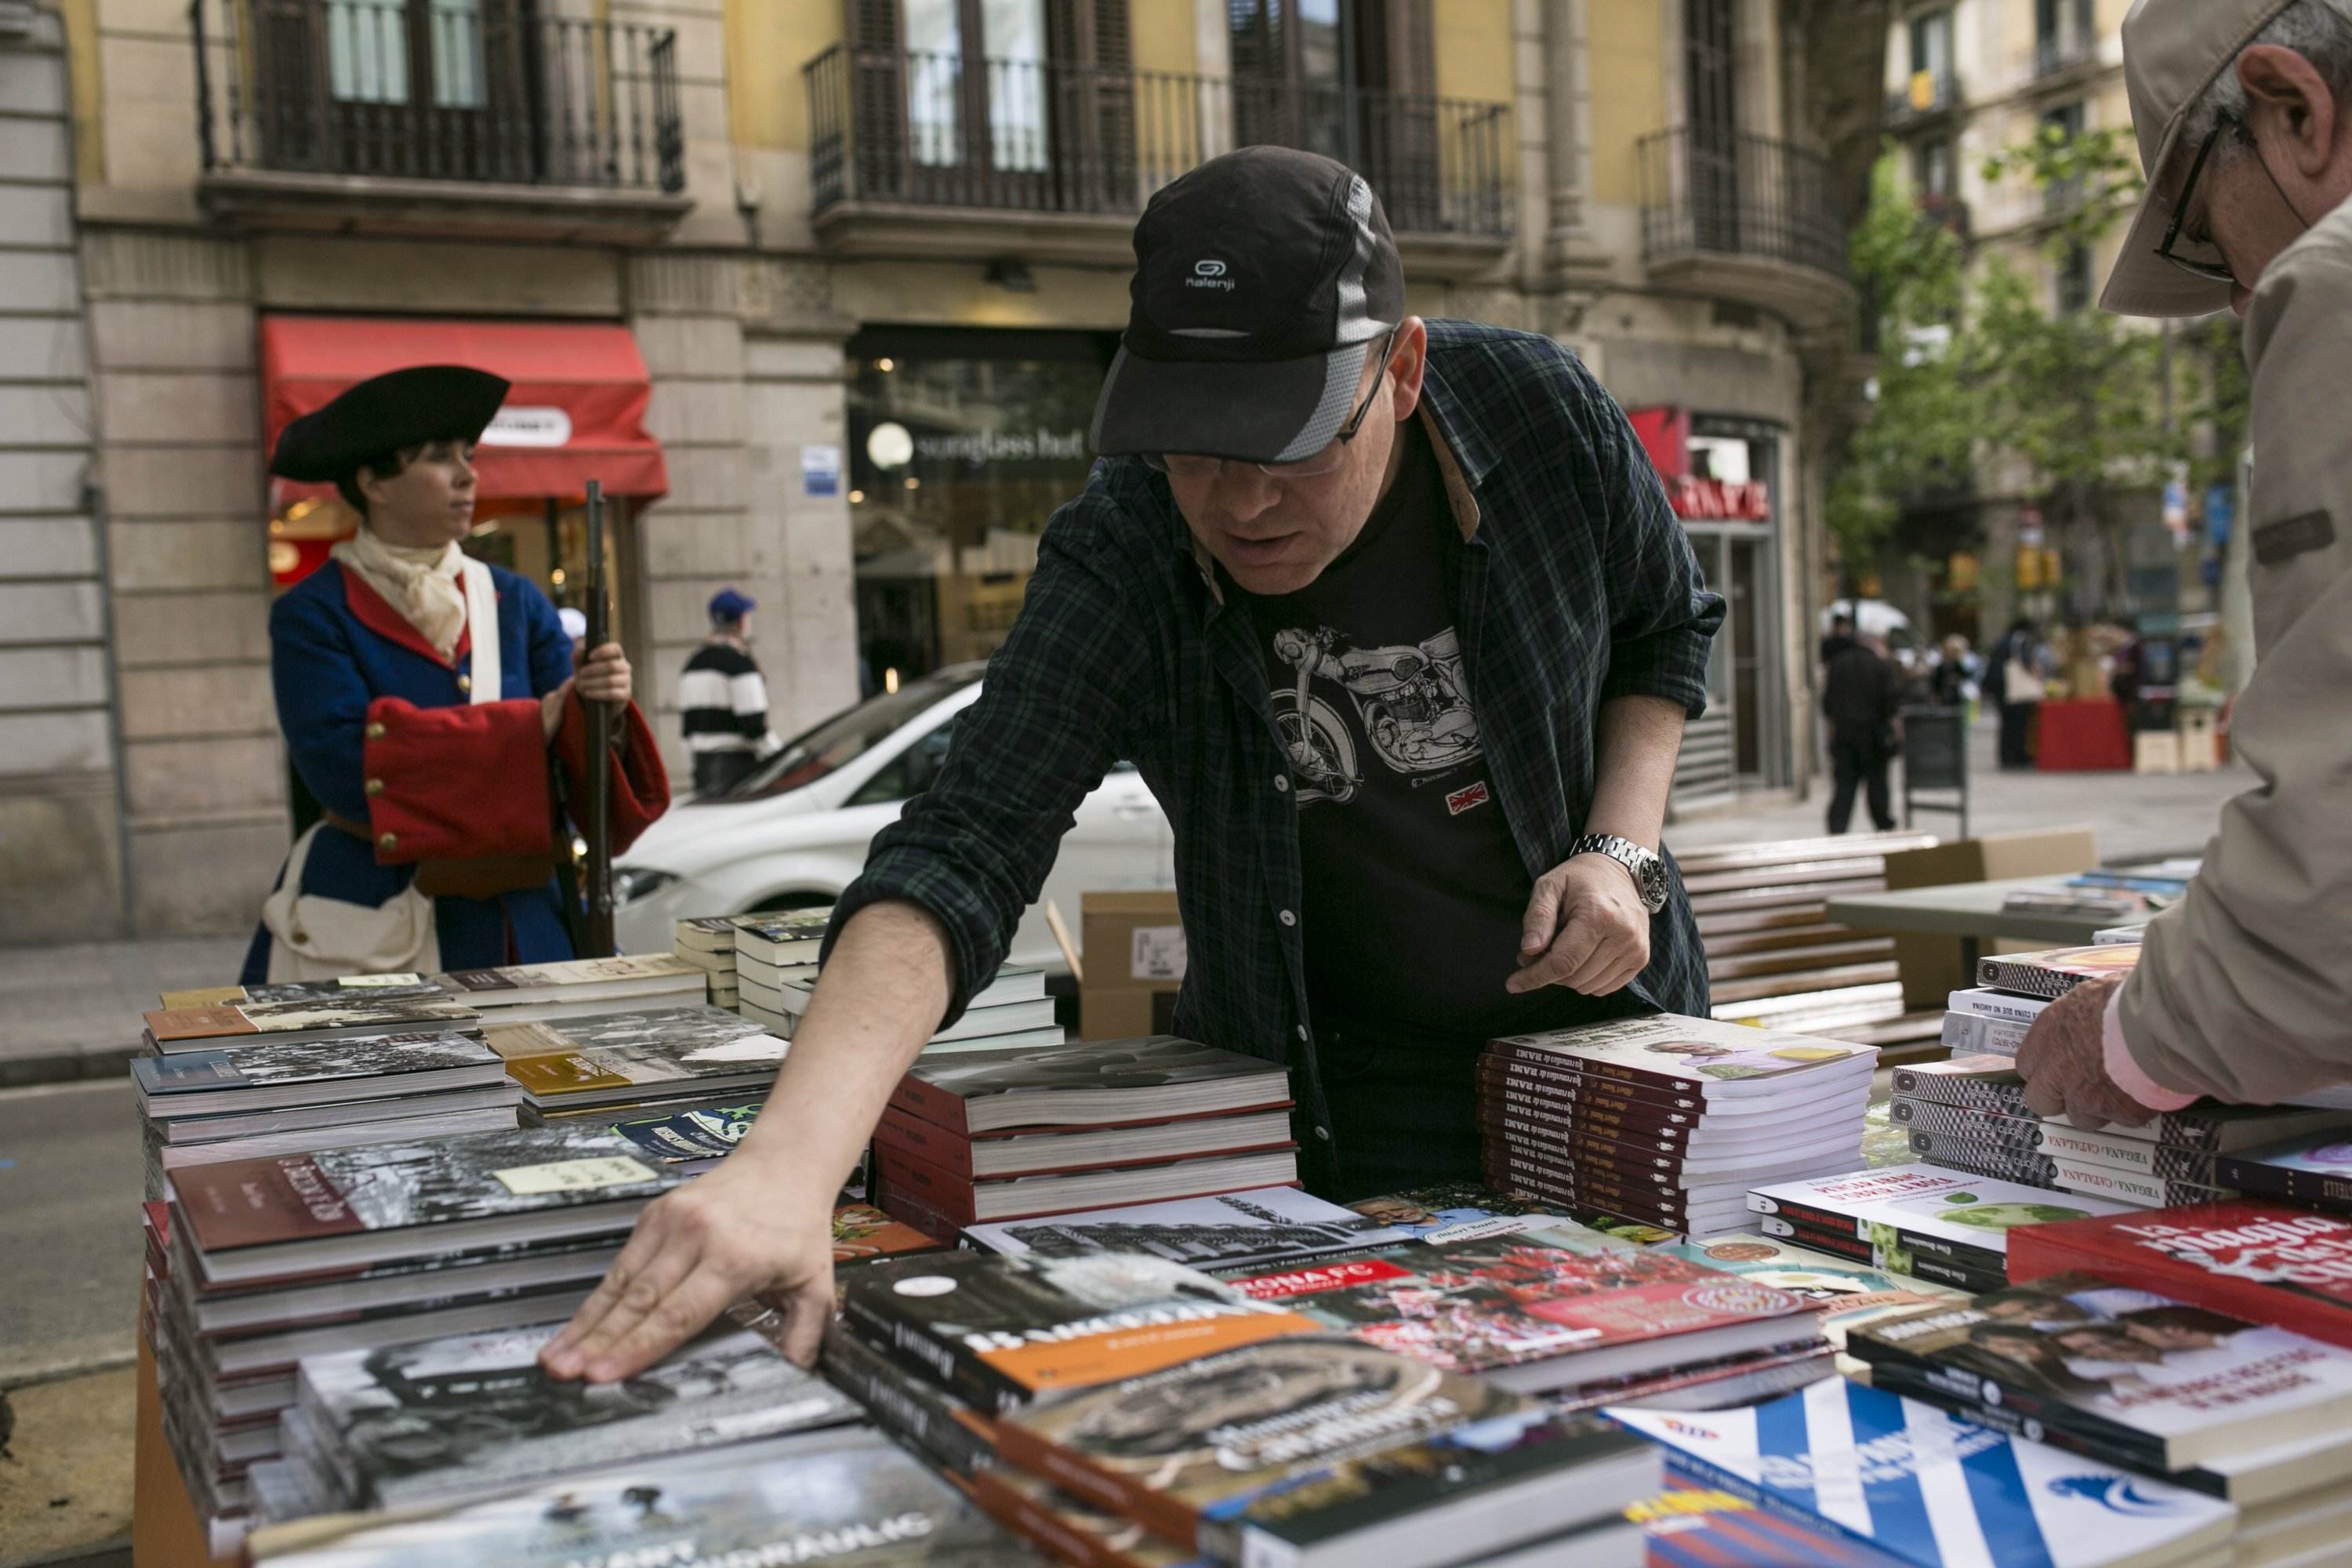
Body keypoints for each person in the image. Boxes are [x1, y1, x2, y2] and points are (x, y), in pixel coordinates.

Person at [542, 146, 1724, 1380]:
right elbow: (966, 843)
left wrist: (1617, 850)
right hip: (1337, 1098)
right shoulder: (1125, 545)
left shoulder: (1539, 412)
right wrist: (786, 1172)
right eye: (1197, 449)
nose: (1242, 503)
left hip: (1615, 1055)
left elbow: (1664, 623)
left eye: (1291, 447)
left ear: (1404, 369)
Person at [2017, 0, 2352, 1129]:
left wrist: (2138, 1037)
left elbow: (2335, 861)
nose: (2240, 299)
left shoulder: (2338, 288)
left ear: (2296, 109)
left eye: (2211, 236)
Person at [240, 365, 669, 982]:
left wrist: (599, 708)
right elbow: (344, 770)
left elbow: (579, 781)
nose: (469, 475)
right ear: (373, 483)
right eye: (440, 458)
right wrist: (535, 723)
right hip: (375, 920)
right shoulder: (311, 614)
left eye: (468, 454)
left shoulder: (515, 600)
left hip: (522, 921)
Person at [679, 588, 782, 797]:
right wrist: (780, 757)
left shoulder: (693, 663)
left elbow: (688, 728)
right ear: (741, 622)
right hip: (737, 769)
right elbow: (754, 725)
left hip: (702, 767)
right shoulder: (740, 663)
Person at [1823, 630, 1904, 835]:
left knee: (1844, 787)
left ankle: (1837, 828)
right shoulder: (1881, 666)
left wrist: (1831, 734)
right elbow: (1891, 704)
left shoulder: (1838, 664)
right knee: (1877, 786)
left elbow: (1828, 704)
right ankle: (1883, 825)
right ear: (1875, 644)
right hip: (1875, 736)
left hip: (1845, 734)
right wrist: (1898, 735)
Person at [1991, 617, 2042, 768]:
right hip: (2012, 688)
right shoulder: (2020, 639)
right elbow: (2025, 661)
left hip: (1999, 685)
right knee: (2018, 723)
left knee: (2006, 723)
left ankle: (2006, 756)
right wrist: (2034, 671)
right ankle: (2018, 756)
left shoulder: (2004, 639)